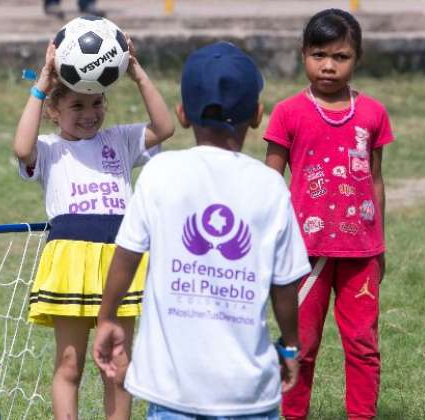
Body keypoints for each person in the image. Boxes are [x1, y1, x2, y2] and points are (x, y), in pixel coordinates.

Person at [93, 41, 312, 419]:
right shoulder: (270, 185)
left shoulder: (160, 173)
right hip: (249, 394)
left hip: (173, 392)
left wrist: (108, 317)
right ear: (258, 115)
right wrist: (290, 346)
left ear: (182, 114)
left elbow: (126, 255)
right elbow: (284, 285)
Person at [13, 37, 174, 420]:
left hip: (120, 259)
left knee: (118, 366)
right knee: (70, 364)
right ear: (53, 110)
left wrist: (136, 73)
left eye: (97, 102)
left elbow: (165, 127)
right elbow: (22, 149)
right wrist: (43, 82)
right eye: (77, 105)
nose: (90, 113)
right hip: (70, 261)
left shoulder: (118, 139)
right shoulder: (49, 149)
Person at [263, 9, 394, 420]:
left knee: (362, 343)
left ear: (357, 59)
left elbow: (375, 178)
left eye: (341, 56)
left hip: (360, 254)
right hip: (305, 254)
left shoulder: (373, 113)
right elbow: (270, 184)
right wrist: (272, 243)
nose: (329, 66)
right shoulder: (287, 113)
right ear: (303, 54)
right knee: (300, 344)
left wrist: (380, 244)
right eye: (319, 54)